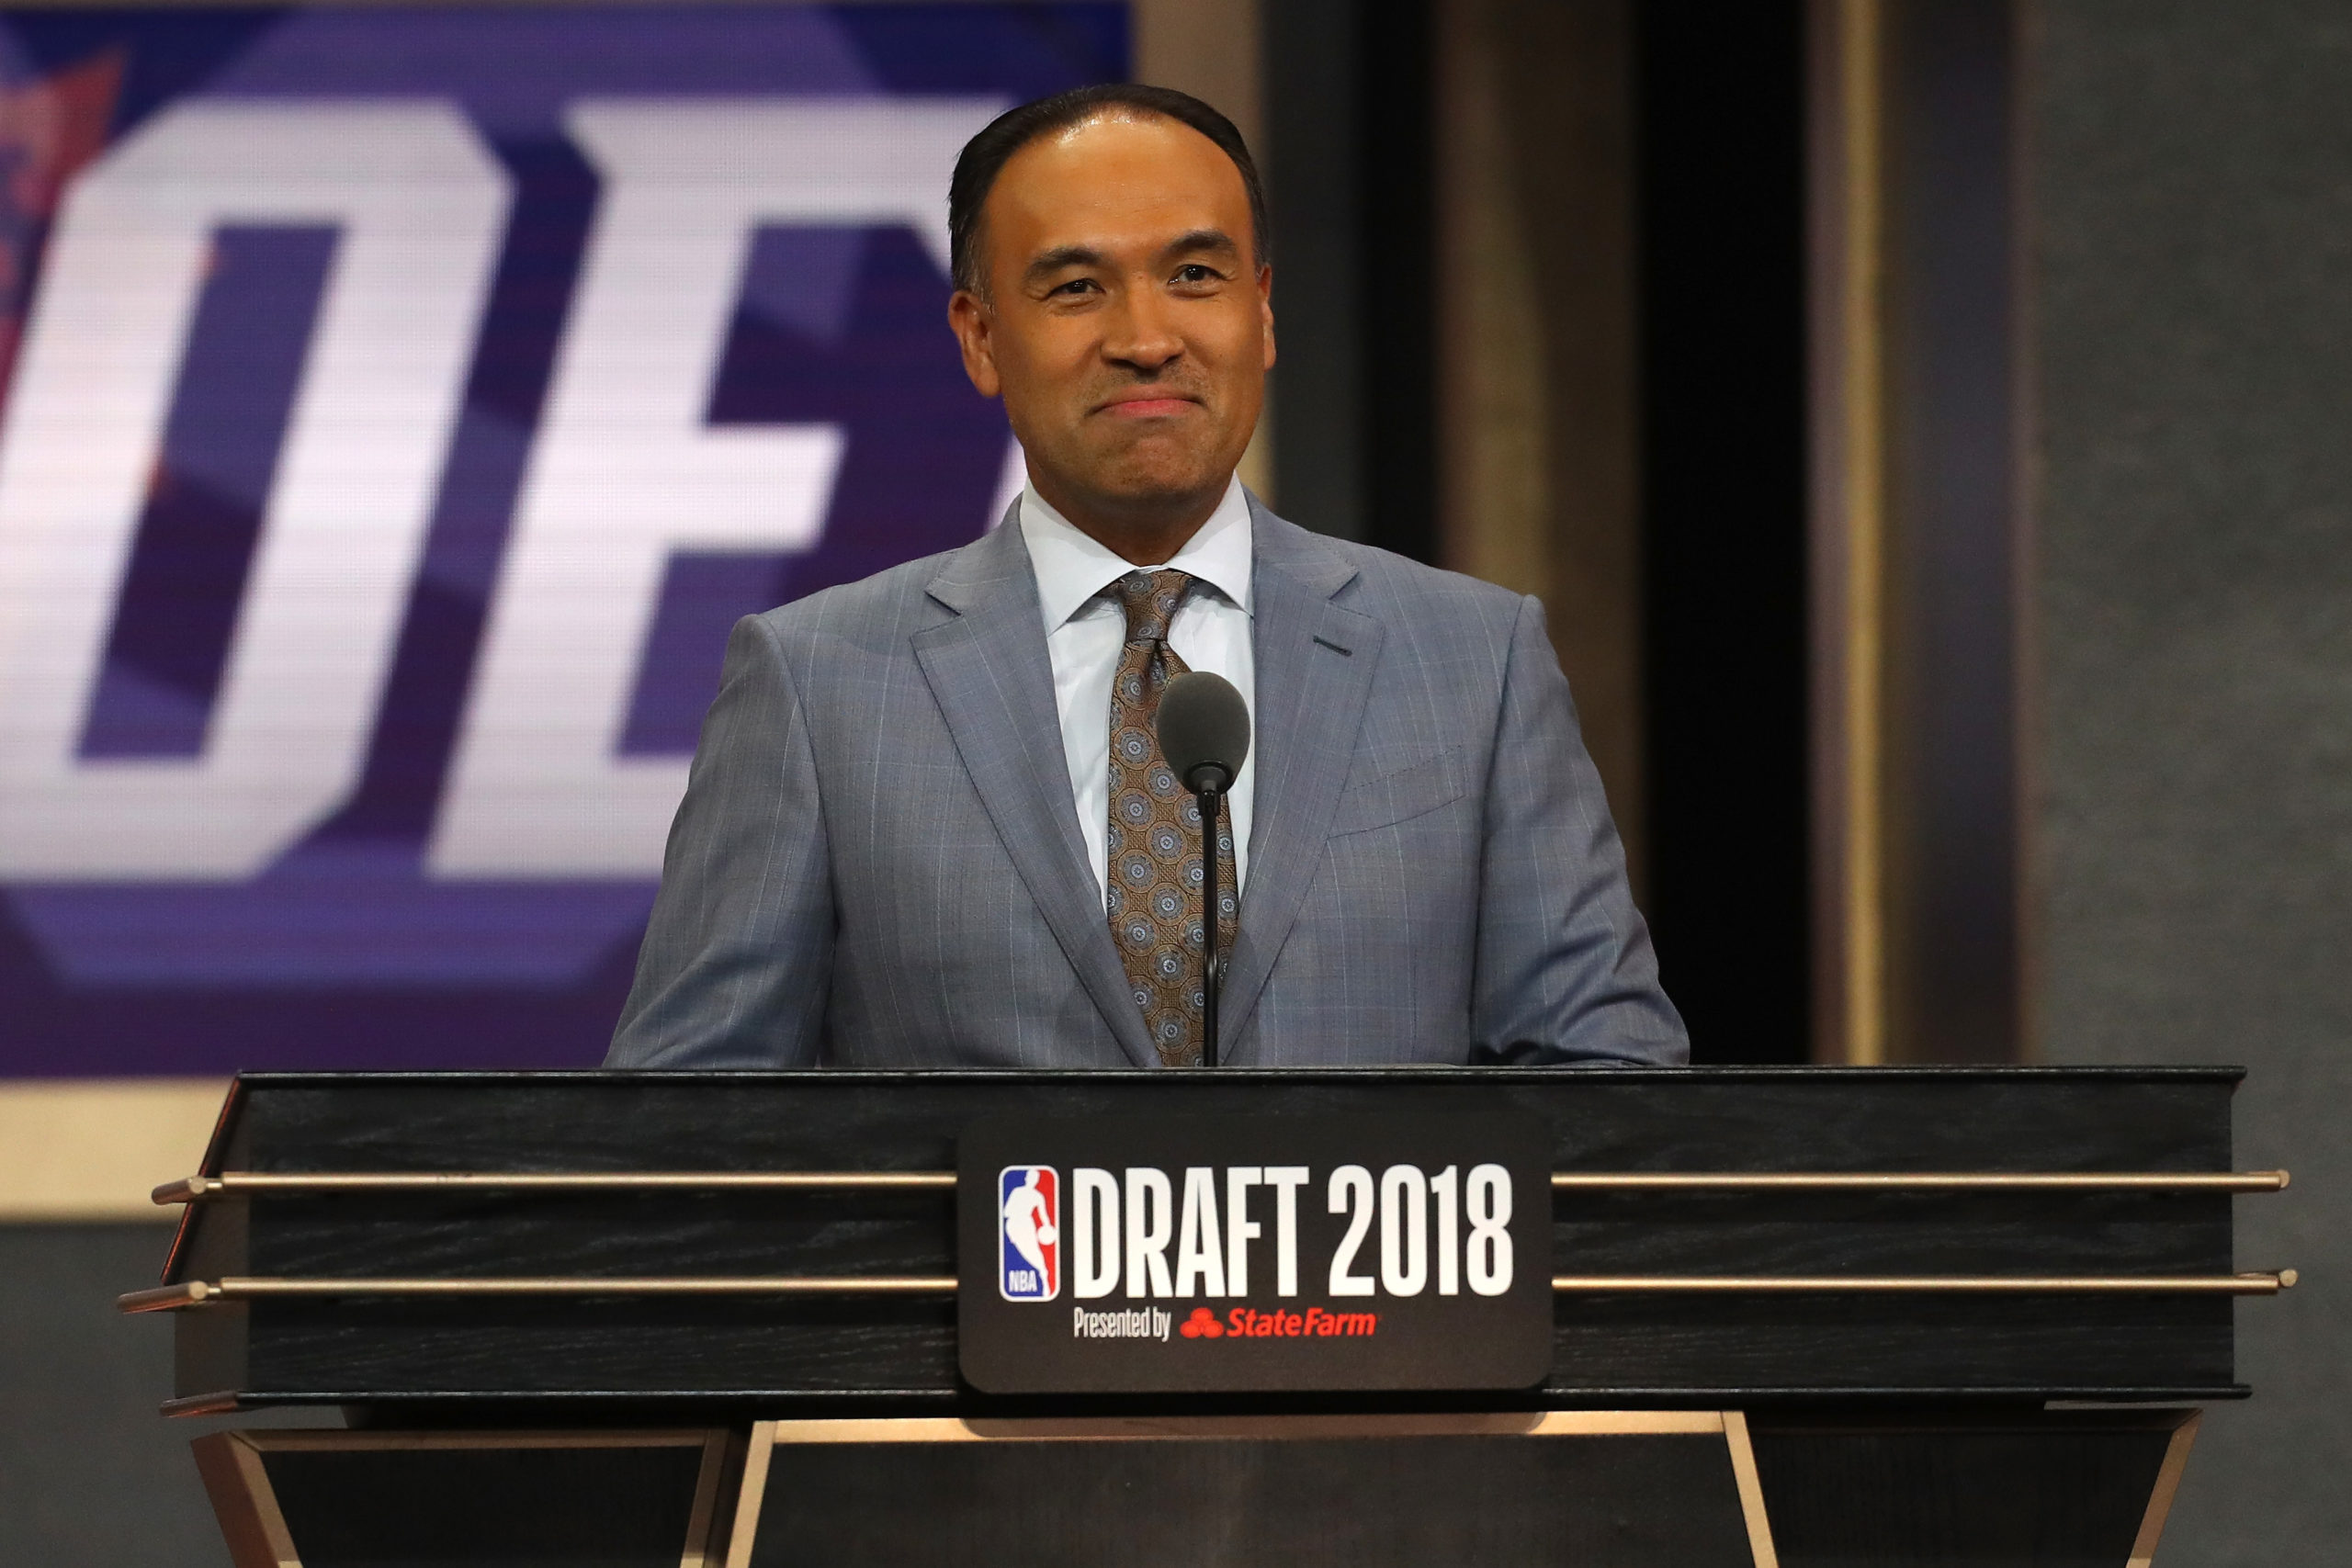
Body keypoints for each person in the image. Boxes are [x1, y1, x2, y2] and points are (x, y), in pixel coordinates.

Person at [606, 85, 1686, 1070]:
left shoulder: (1473, 663)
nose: (1146, 338)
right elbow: (690, 1123)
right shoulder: (817, 684)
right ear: (980, 338)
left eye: (1194, 276)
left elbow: (1608, 1083)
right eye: (1077, 287)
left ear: (1262, 311)